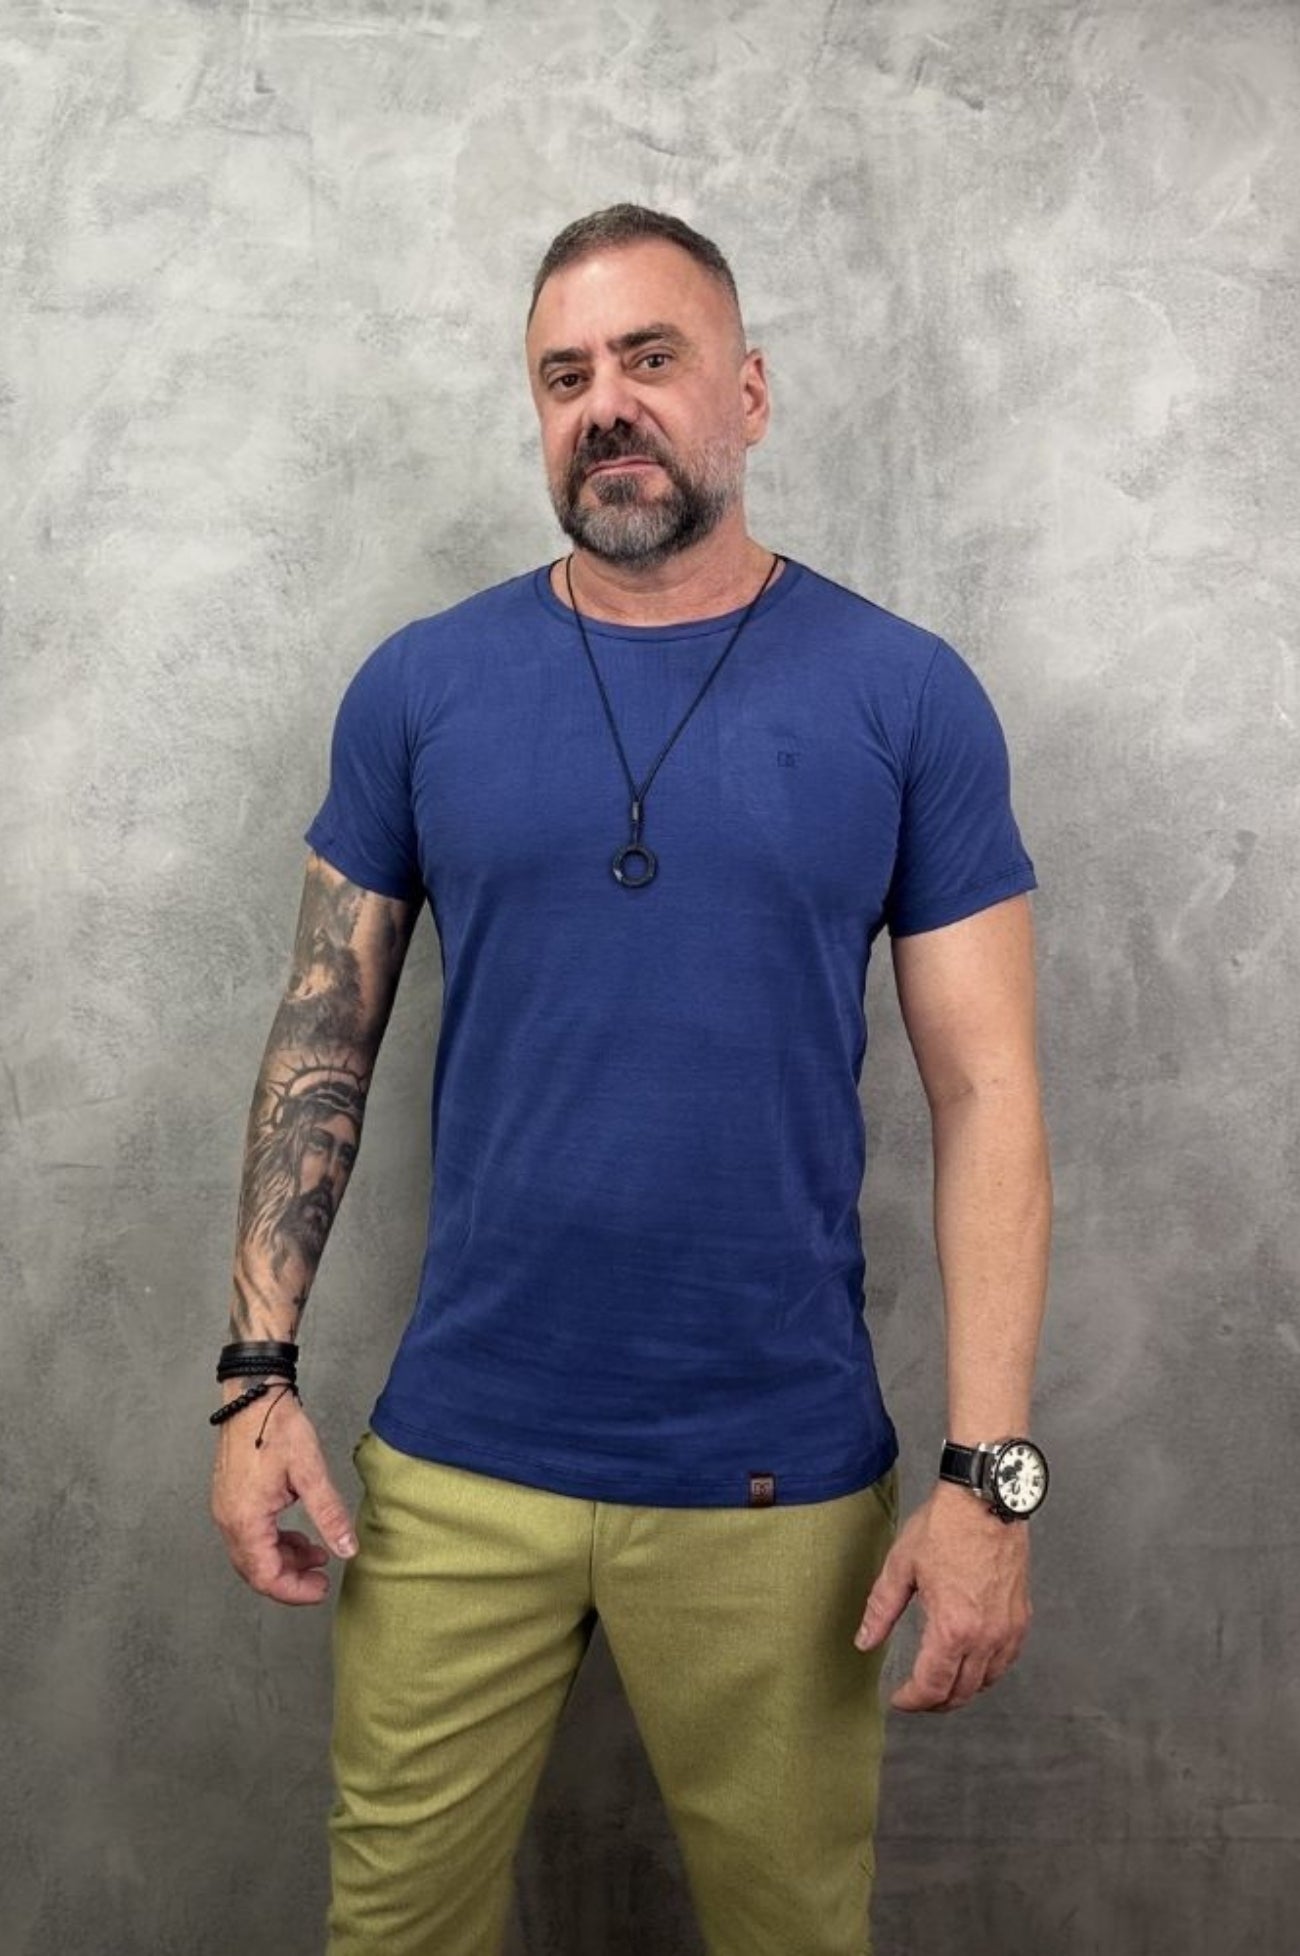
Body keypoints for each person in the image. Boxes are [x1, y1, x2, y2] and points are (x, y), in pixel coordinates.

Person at [211, 203, 1052, 1956]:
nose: (607, 403)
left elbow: (989, 1098)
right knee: (392, 1933)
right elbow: (321, 1035)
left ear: (748, 392)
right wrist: (252, 1377)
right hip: (455, 1469)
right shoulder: (421, 687)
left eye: (652, 359)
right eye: (565, 375)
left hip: (779, 1487)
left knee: (792, 1934)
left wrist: (989, 1478)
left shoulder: (907, 696)